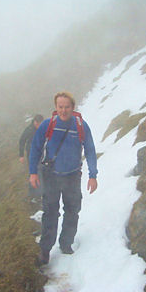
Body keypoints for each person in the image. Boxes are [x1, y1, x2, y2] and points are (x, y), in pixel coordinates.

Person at [29, 91, 98, 265]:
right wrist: (33, 172)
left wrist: (93, 175)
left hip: (72, 176)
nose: (63, 110)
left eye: (67, 107)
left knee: (72, 211)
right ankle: (45, 251)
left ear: (73, 107)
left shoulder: (81, 125)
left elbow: (90, 150)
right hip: (51, 175)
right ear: (56, 107)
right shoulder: (48, 125)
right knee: (50, 213)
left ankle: (66, 244)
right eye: (60, 107)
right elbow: (36, 149)